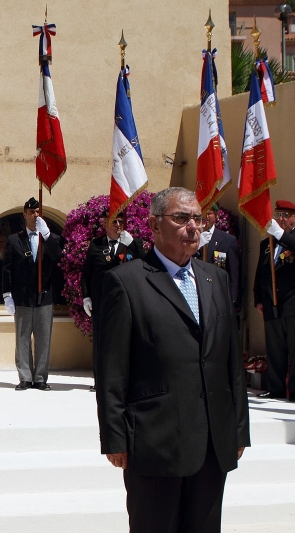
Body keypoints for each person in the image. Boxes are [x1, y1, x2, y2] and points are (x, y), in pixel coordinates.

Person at [97, 187, 250, 533]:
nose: (193, 226)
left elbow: (231, 364)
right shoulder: (125, 282)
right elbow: (112, 370)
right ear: (153, 225)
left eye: (197, 218)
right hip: (155, 444)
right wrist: (115, 438)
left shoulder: (217, 279)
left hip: (214, 443)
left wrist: (239, 428)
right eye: (181, 218)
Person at [2, 198, 61, 391]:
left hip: (44, 295)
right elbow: (7, 269)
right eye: (31, 212)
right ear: (24, 215)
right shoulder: (14, 239)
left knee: (44, 338)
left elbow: (57, 257)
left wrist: (47, 235)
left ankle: (41, 378)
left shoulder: (49, 238)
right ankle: (25, 377)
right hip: (23, 296)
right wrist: (6, 294)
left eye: (38, 212)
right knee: (23, 338)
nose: (35, 215)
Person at [81, 210, 144, 391]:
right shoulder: (96, 244)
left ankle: (122, 380)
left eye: (120, 222)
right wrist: (86, 296)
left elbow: (146, 266)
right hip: (101, 302)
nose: (118, 225)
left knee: (124, 342)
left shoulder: (132, 244)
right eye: (114, 222)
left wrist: (132, 245)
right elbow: (87, 273)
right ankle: (100, 380)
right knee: (101, 344)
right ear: (105, 223)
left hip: (125, 303)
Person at [254, 199, 295, 401]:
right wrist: (259, 299)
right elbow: (260, 273)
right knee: (275, 349)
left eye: (285, 216)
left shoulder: (290, 239)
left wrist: (281, 235)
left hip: (291, 304)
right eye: (278, 215)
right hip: (272, 305)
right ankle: (276, 388)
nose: (281, 219)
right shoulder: (267, 244)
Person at [197, 204, 240, 308]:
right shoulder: (191, 238)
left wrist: (233, 299)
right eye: (203, 213)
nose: (206, 216)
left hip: (218, 295)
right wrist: (197, 245)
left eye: (210, 213)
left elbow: (233, 272)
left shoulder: (227, 240)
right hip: (196, 292)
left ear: (216, 215)